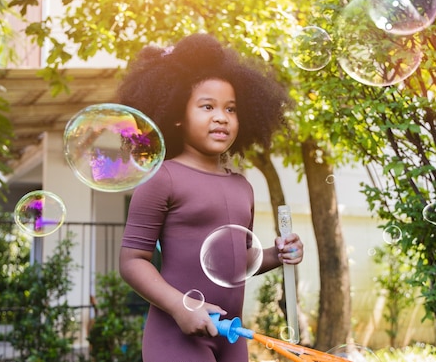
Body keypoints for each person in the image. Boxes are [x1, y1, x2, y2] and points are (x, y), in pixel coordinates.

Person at [117, 33, 304, 362]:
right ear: (178, 113)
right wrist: (181, 307)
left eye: (230, 109)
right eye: (207, 106)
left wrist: (277, 254)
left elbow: (236, 263)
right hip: (176, 336)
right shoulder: (163, 178)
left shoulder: (241, 186)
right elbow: (132, 262)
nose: (221, 117)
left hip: (232, 336)